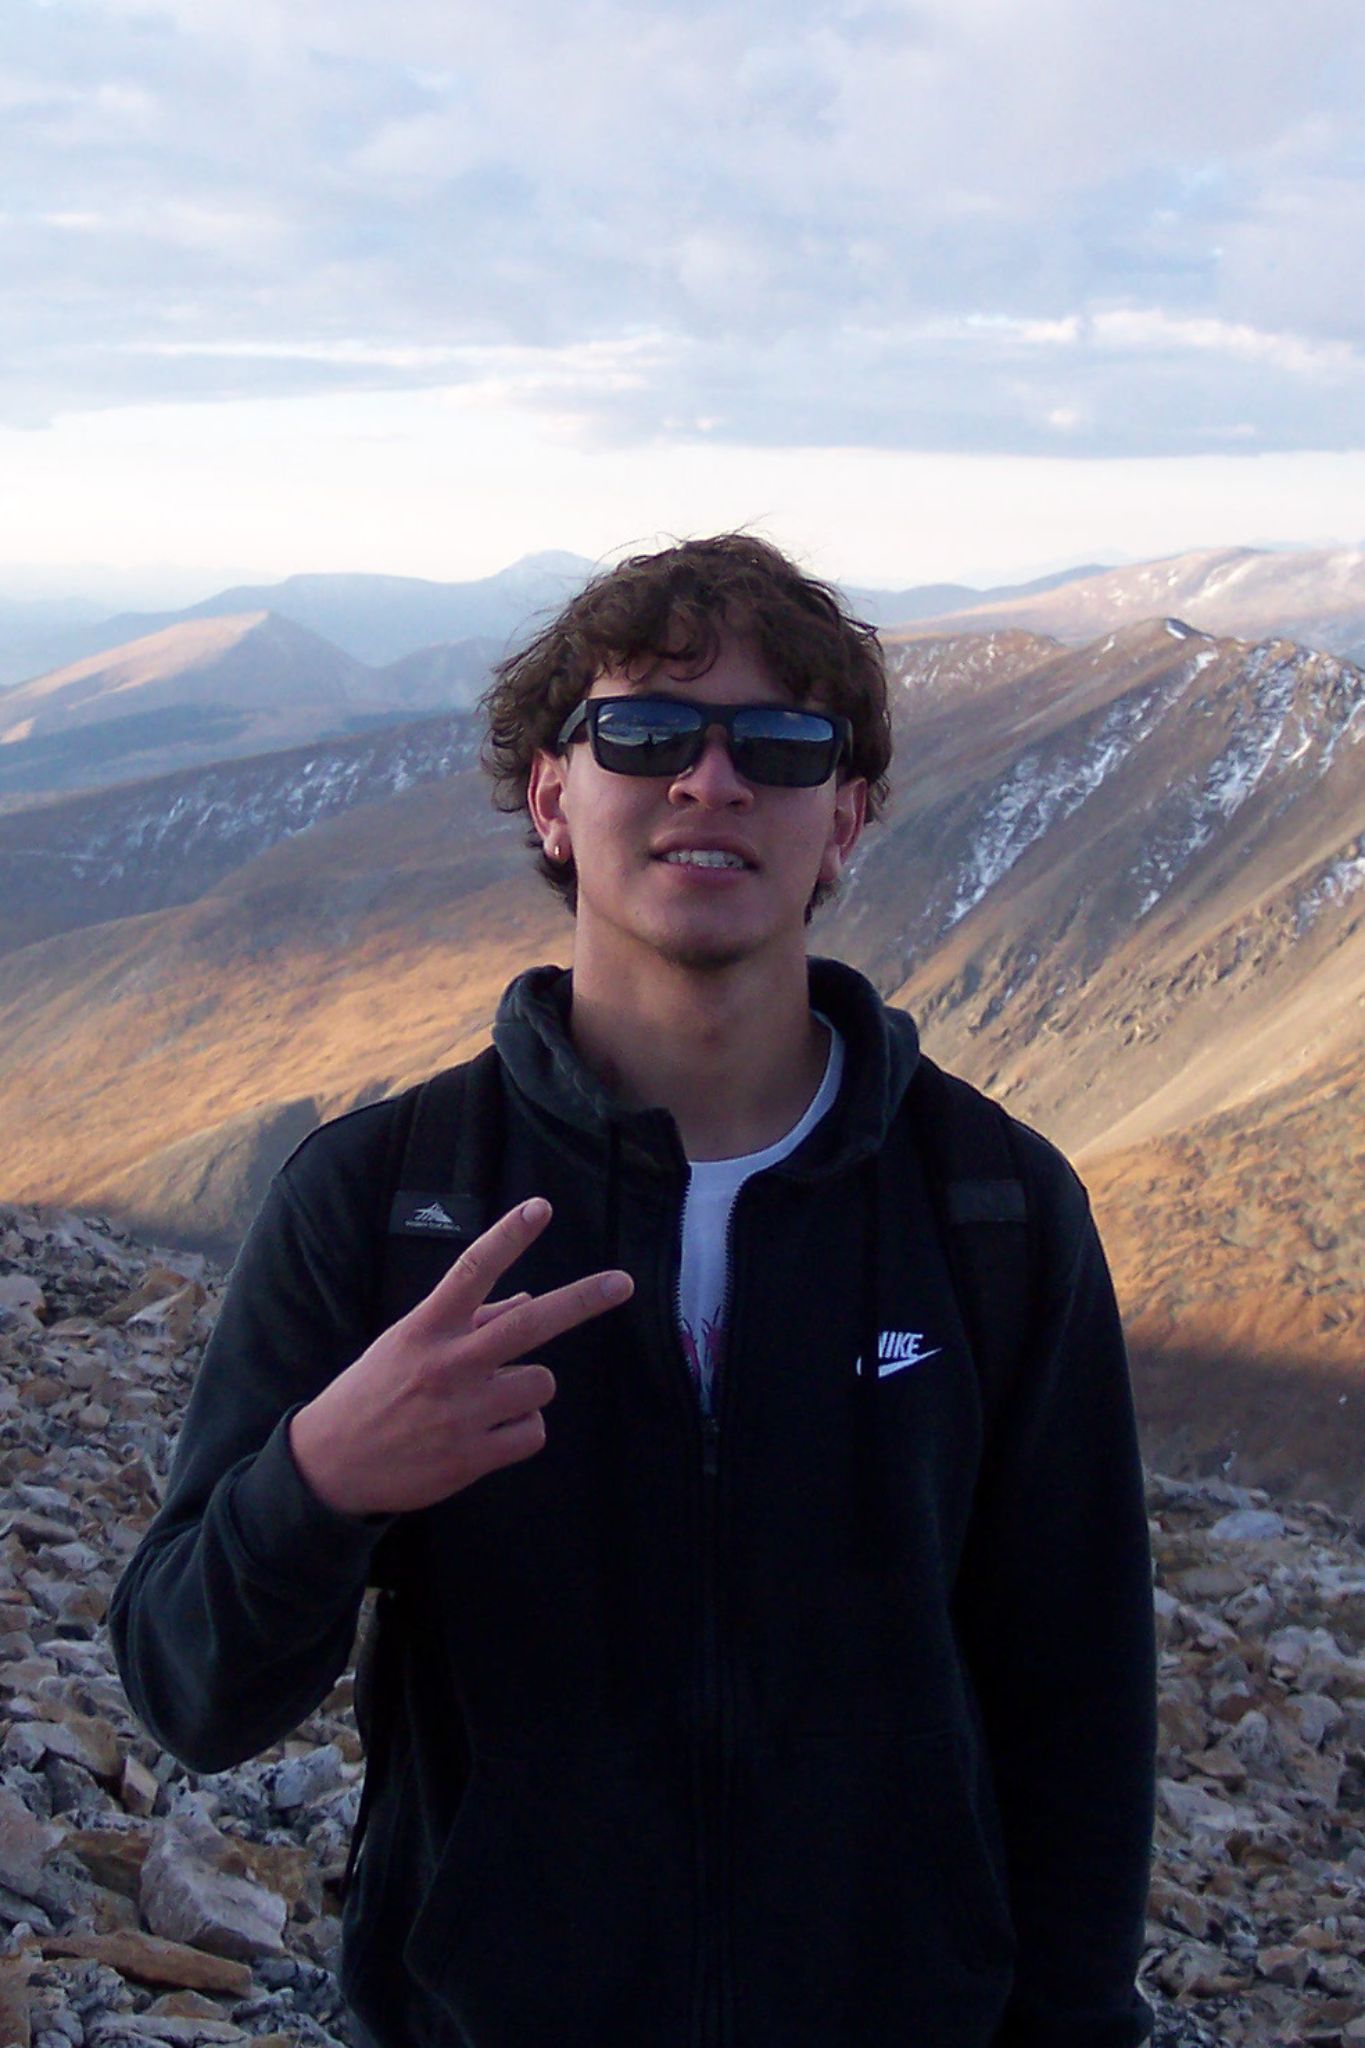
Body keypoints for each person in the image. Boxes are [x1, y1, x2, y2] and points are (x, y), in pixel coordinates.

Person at [111, 533, 1157, 2048]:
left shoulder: (989, 1208)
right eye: (646, 732)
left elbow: (1077, 1698)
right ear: (552, 794)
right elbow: (187, 1694)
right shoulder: (382, 1199)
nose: (710, 783)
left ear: (844, 818)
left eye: (782, 746)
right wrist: (321, 1480)